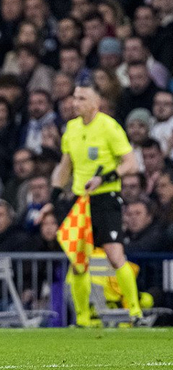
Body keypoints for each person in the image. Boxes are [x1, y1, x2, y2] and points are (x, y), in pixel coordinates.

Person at [39, 80, 141, 327]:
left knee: (115, 255)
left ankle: (135, 312)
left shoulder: (109, 127)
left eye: (82, 98)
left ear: (96, 102)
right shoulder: (71, 128)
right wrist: (52, 199)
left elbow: (131, 163)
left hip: (105, 198)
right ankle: (83, 318)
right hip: (80, 201)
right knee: (78, 260)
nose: (75, 103)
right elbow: (65, 167)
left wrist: (104, 178)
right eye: (75, 98)